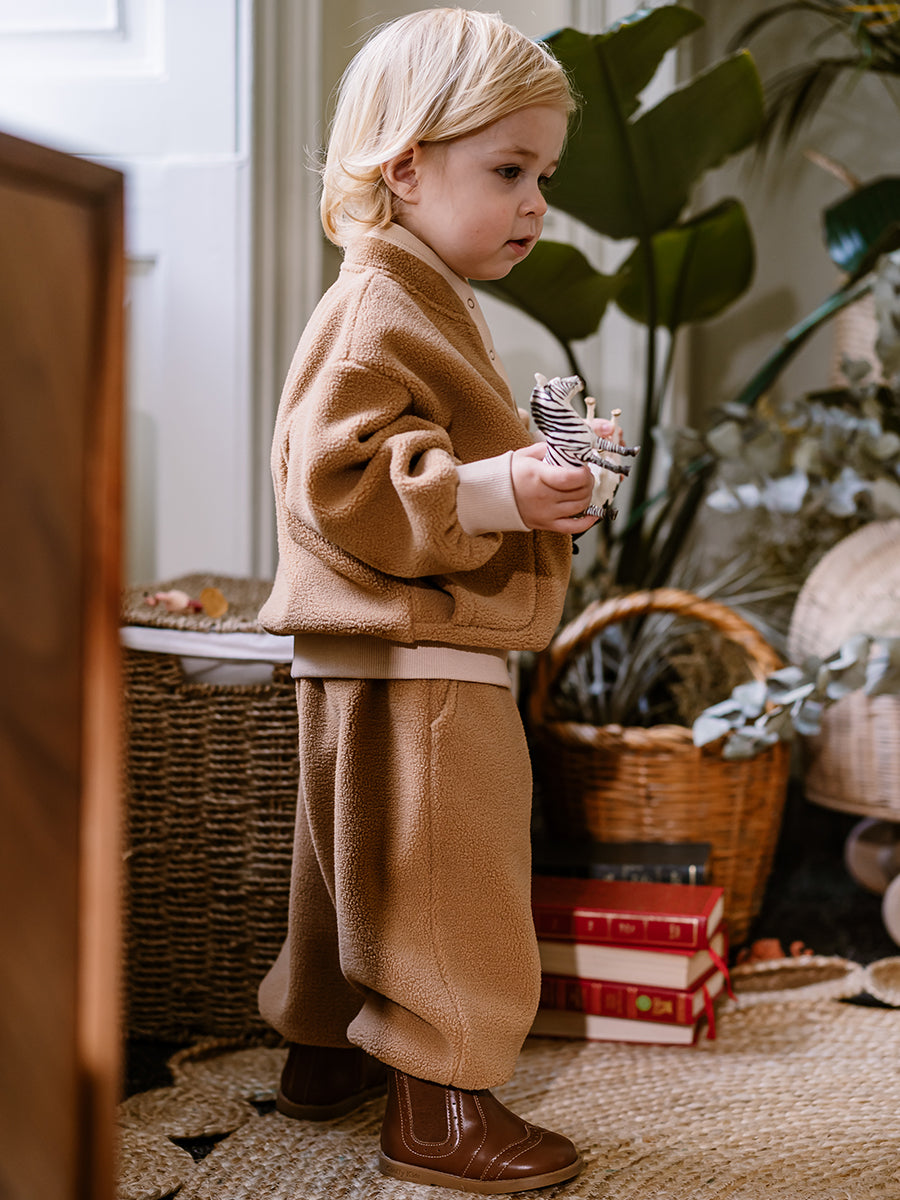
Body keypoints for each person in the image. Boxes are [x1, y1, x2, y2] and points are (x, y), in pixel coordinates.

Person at [257, 8, 616, 1193]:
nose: (535, 203)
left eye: (542, 176)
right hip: (418, 650)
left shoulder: (414, 296)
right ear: (406, 167)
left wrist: (528, 485)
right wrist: (504, 489)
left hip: (372, 641)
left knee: (356, 867)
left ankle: (324, 1055)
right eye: (509, 171)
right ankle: (443, 1109)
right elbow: (341, 479)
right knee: (449, 879)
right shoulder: (383, 305)